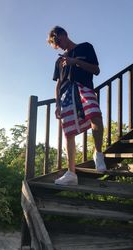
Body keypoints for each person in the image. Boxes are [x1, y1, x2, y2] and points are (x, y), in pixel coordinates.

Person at [47, 26, 107, 185]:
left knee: (96, 117)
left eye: (58, 40)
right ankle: (71, 173)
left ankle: (98, 154)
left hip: (84, 87)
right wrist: (57, 104)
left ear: (64, 34)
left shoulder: (85, 47)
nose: (58, 45)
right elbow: (58, 83)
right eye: (55, 44)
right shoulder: (59, 61)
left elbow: (96, 70)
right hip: (66, 94)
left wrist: (76, 62)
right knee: (68, 132)